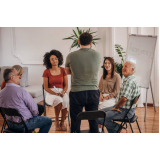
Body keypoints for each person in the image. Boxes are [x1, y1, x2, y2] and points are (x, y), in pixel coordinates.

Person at [65, 32, 101, 133]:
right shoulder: (97, 55)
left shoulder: (71, 56)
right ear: (91, 42)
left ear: (79, 41)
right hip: (93, 92)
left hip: (77, 92)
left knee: (76, 120)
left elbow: (67, 72)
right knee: (93, 120)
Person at [0, 68, 52, 133]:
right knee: (48, 121)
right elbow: (34, 109)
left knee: (38, 108)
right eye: (17, 75)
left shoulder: (1, 93)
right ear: (12, 78)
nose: (19, 76)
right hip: (23, 124)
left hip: (10, 123)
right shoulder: (21, 91)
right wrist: (33, 116)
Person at [98, 61, 140, 133]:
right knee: (98, 113)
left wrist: (116, 107)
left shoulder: (129, 81)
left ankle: (116, 128)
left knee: (98, 118)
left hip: (125, 111)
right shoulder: (130, 79)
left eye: (126, 66)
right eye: (123, 66)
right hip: (124, 108)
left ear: (132, 69)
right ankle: (114, 130)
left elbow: (124, 99)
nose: (123, 68)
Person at [43, 49, 69, 131]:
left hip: (61, 91)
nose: (55, 61)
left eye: (56, 58)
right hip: (51, 92)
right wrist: (56, 93)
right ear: (49, 61)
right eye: (52, 59)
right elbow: (46, 87)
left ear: (59, 59)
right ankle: (57, 120)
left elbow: (66, 85)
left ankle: (62, 121)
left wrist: (63, 92)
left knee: (66, 101)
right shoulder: (46, 71)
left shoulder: (62, 70)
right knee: (58, 99)